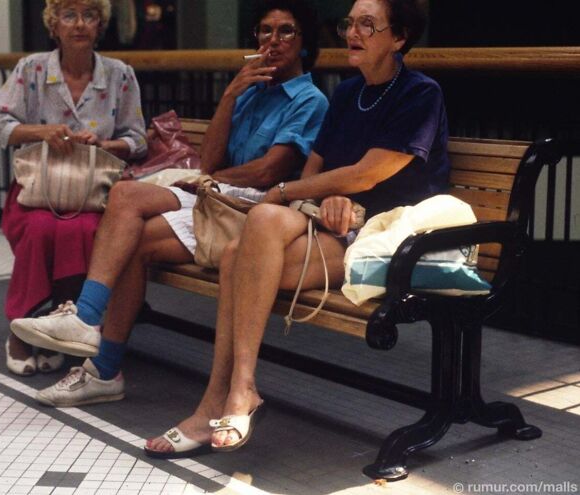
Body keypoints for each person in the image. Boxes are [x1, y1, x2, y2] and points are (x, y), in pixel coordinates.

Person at [144, 0, 451, 457]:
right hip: (330, 227)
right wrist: (312, 196)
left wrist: (291, 191)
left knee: (242, 250)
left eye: (369, 24)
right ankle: (237, 391)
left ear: (399, 37)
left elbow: (367, 175)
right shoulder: (348, 93)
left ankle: (221, 398)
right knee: (244, 244)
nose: (354, 32)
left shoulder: (419, 94)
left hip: (387, 238)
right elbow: (315, 169)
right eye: (351, 23)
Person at [9, 0, 329, 409]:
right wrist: (231, 93)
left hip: (255, 206)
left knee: (126, 205)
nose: (273, 41)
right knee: (131, 227)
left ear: (304, 44)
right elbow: (211, 158)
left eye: (286, 31)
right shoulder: (250, 92)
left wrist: (210, 182)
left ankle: (95, 343)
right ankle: (96, 349)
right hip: (220, 192)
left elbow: (269, 170)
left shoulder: (310, 100)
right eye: (265, 31)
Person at [0, 0, 147, 376]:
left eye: (89, 15)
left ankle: (58, 326)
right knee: (40, 228)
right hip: (37, 190)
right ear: (53, 25)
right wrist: (40, 132)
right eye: (68, 15)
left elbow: (137, 139)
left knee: (85, 229)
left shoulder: (120, 74)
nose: (79, 24)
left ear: (100, 24)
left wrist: (105, 145)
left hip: (92, 193)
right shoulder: (32, 69)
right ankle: (21, 329)